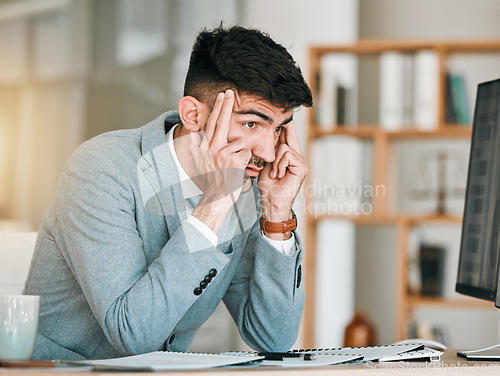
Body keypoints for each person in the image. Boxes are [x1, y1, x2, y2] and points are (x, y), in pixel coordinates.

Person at [24, 25, 313, 360]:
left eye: (278, 128)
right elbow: (133, 335)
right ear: (192, 115)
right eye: (251, 124)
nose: (268, 150)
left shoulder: (246, 186)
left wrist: (277, 214)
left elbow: (272, 338)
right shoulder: (101, 168)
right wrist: (214, 205)